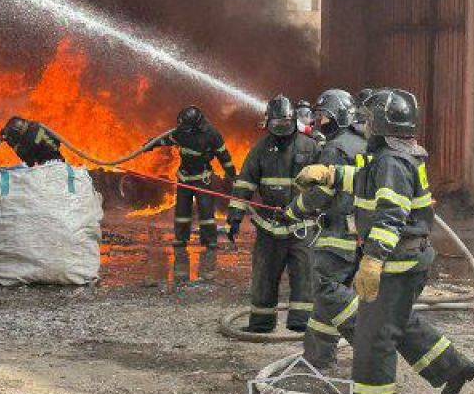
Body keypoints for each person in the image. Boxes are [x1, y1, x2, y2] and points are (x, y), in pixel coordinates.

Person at [295, 89, 474, 394]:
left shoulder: (392, 161)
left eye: (368, 119)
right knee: (396, 322)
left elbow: (391, 216)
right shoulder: (390, 157)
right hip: (403, 260)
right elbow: (366, 180)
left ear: (381, 123)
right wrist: (331, 175)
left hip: (397, 262)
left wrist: (373, 260)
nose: (363, 124)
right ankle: (452, 367)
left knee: (373, 335)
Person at [283, 89, 367, 370]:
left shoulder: (335, 148)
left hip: (339, 235)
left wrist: (294, 209)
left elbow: (322, 193)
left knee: (327, 290)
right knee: (326, 300)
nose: (319, 122)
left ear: (338, 117)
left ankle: (369, 344)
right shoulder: (363, 144)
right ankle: (317, 358)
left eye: (323, 117)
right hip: (360, 233)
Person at [228, 95, 320, 333]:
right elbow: (245, 182)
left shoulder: (310, 147)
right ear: (268, 123)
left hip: (302, 227)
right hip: (269, 227)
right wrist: (235, 216)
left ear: (293, 121)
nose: (280, 130)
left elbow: (323, 187)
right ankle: (261, 323)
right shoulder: (261, 149)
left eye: (285, 124)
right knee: (264, 276)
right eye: (276, 124)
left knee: (305, 275)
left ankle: (301, 322)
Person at [144, 106, 237, 250]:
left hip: (202, 179)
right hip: (184, 177)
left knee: (206, 212)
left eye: (186, 127)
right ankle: (181, 239)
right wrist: (151, 144)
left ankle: (210, 241)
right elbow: (167, 139)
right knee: (182, 212)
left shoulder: (212, 135)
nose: (183, 129)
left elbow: (224, 157)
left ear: (196, 125)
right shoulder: (182, 131)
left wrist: (232, 174)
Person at [0, 116, 64, 166]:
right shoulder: (34, 127)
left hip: (51, 166)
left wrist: (11, 143)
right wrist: (7, 132)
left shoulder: (30, 140)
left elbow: (29, 162)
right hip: (57, 158)